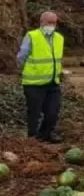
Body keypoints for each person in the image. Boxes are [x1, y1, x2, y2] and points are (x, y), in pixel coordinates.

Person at [17, 11, 64, 143]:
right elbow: (21, 57)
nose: (51, 25)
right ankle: (32, 138)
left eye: (54, 22)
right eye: (49, 22)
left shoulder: (59, 38)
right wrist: (27, 70)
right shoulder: (32, 36)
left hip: (52, 82)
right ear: (42, 22)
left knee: (53, 113)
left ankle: (45, 134)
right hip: (34, 83)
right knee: (35, 113)